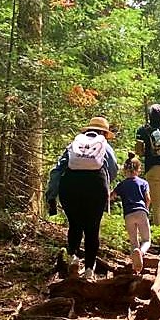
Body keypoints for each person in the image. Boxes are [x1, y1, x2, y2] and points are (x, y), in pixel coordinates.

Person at [45, 116, 118, 281]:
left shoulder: (74, 144)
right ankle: (89, 271)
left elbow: (57, 170)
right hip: (96, 186)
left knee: (75, 225)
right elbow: (113, 169)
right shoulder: (105, 146)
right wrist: (105, 183)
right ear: (104, 133)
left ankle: (73, 259)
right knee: (92, 230)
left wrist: (51, 196)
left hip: (70, 186)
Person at [112, 152, 151, 274]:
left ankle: (136, 266)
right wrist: (146, 208)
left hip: (128, 214)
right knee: (146, 240)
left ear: (125, 170)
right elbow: (148, 199)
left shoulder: (122, 185)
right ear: (139, 169)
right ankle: (142, 252)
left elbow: (111, 196)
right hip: (141, 212)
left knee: (134, 241)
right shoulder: (143, 183)